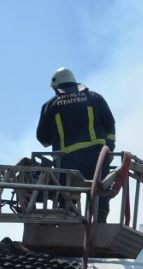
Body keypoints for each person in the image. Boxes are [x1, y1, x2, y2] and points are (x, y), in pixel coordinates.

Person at [35, 67, 117, 222]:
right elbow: (109, 124)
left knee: (67, 200)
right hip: (97, 157)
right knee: (100, 192)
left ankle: (68, 225)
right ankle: (99, 223)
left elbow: (42, 137)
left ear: (56, 87)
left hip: (67, 161)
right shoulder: (94, 97)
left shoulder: (51, 105)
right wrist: (110, 148)